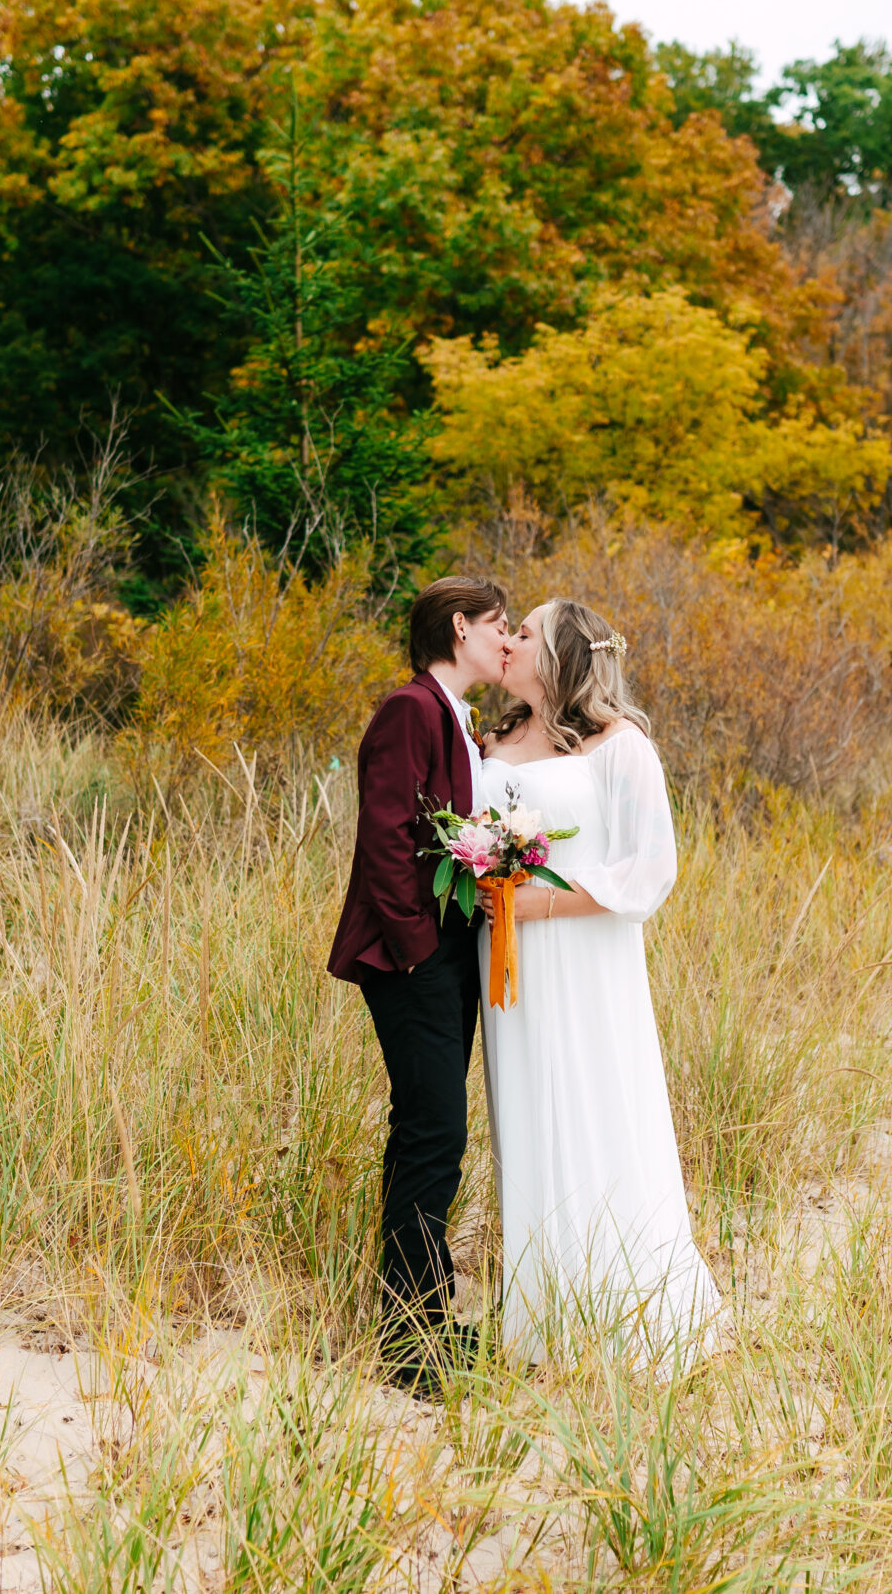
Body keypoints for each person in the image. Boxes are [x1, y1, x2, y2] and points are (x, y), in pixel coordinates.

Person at [474, 599, 723, 1370]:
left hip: (584, 956)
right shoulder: (492, 740)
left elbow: (651, 869)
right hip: (507, 964)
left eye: (525, 634)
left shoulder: (621, 745)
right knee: (528, 1109)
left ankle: (625, 1305)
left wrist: (541, 901)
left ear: (563, 655)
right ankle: (542, 1309)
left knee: (597, 1102)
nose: (510, 643)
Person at [327, 576, 511, 1395]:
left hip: (445, 956)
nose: (506, 638)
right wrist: (417, 955)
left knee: (431, 1135)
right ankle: (408, 1346)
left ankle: (425, 1322)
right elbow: (386, 836)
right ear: (460, 626)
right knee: (434, 1136)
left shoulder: (460, 717)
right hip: (411, 960)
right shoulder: (410, 709)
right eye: (499, 623)